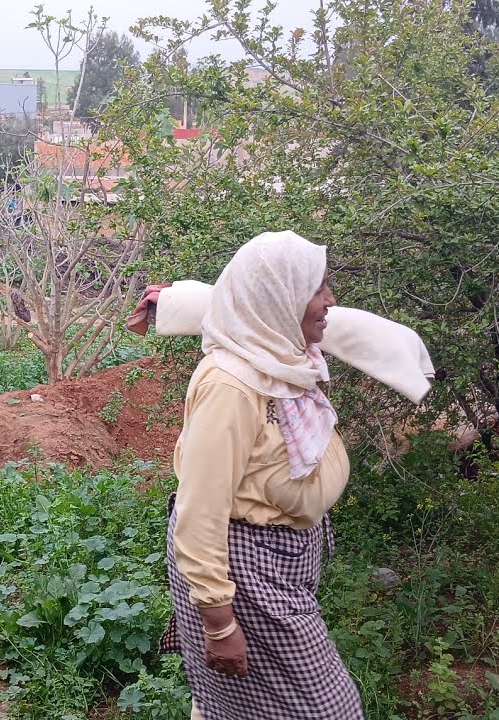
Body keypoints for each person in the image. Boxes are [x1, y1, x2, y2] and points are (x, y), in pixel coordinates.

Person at [164, 231, 363, 720]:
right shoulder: (232, 385)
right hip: (243, 569)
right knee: (327, 710)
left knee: (238, 707)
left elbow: (367, 334)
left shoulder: (281, 356)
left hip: (277, 561)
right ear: (282, 299)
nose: (330, 302)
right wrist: (218, 621)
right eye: (319, 289)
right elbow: (200, 508)